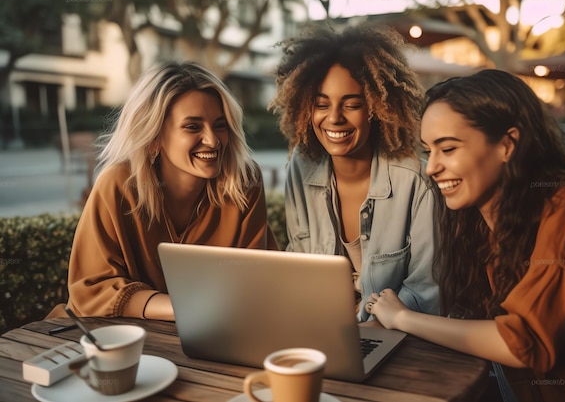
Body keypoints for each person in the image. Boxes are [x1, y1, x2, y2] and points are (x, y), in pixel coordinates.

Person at [366, 69, 565, 402]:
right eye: (428, 151)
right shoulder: (475, 217)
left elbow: (525, 343)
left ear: (507, 144)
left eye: (448, 149)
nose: (431, 168)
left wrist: (402, 317)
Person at [60, 61, 277, 321]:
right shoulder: (117, 184)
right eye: (193, 126)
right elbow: (91, 291)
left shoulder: (244, 181)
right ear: (154, 137)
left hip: (216, 334)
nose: (214, 140)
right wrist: (182, 309)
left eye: (220, 124)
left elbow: (254, 280)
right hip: (119, 340)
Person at [268, 23, 439, 321]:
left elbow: (425, 291)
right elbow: (299, 260)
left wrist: (367, 330)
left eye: (352, 104)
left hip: (393, 334)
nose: (334, 118)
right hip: (322, 323)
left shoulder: (416, 182)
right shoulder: (301, 165)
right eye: (321, 104)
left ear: (378, 108)